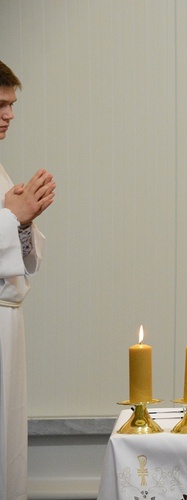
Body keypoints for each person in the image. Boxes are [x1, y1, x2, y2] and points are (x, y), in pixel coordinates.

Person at [0, 60, 55, 499]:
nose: (9, 115)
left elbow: (22, 261)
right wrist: (8, 219)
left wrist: (21, 223)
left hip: (8, 324)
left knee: (9, 448)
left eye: (12, 105)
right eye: (1, 104)